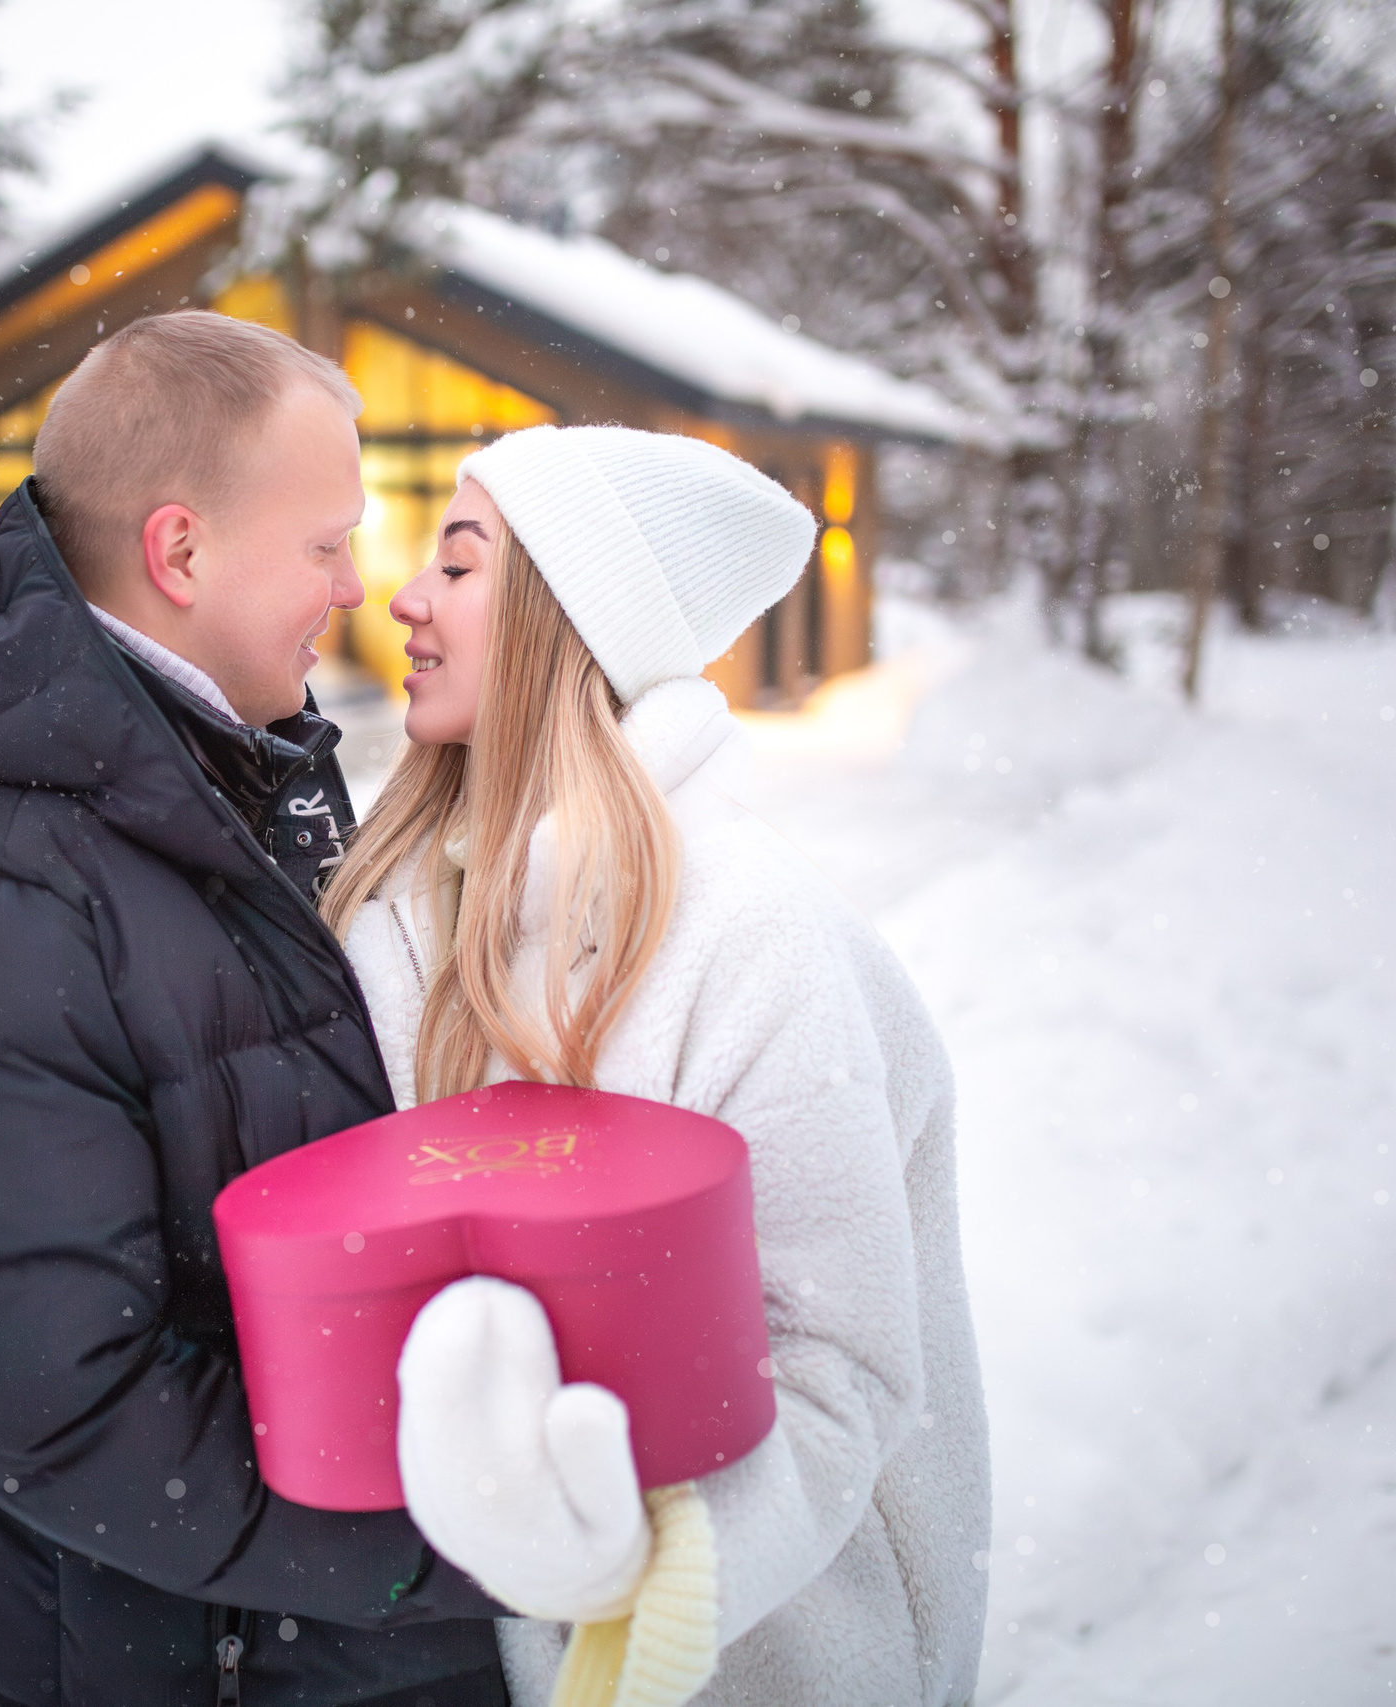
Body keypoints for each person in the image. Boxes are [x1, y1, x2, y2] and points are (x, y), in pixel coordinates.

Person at [0, 312, 509, 1706]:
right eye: (327, 543)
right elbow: (59, 1408)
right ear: (181, 551)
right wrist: (451, 1550)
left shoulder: (225, 786)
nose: (362, 586)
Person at [322, 425, 991, 1707]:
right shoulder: (397, 912)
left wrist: (638, 1561)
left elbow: (841, 1363)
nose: (402, 596)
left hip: (779, 1665)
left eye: (459, 568)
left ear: (567, 620)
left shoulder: (750, 935)